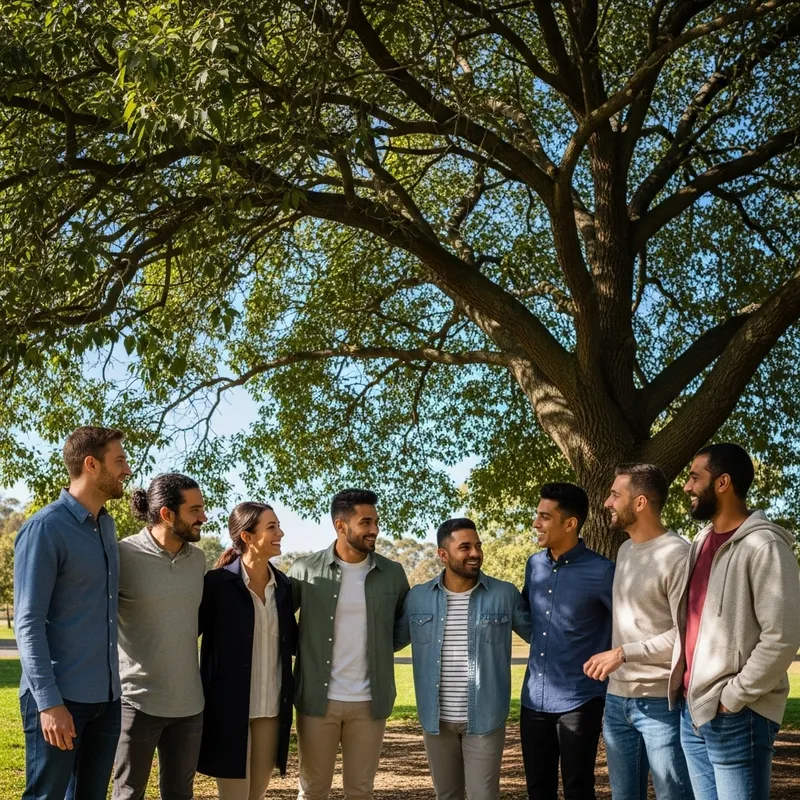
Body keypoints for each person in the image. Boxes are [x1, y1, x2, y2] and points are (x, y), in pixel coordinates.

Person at [676, 443, 800, 799]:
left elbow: (783, 635)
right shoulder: (700, 543)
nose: (686, 486)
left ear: (723, 482)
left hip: (736, 715)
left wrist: (733, 698)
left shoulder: (764, 547)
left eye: (695, 477)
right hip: (694, 711)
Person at [14, 426, 131, 799]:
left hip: (107, 700)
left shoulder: (107, 526)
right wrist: (49, 703)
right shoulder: (45, 528)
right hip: (59, 700)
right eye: (120, 461)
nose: (127, 469)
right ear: (92, 464)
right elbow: (28, 622)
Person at [289, 489, 410, 800]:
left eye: (376, 522)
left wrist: (379, 649)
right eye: (366, 522)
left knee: (360, 790)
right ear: (340, 526)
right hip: (317, 701)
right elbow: (280, 624)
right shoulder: (305, 570)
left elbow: (402, 626)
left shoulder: (392, 574)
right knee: (313, 789)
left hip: (370, 703)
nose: (374, 530)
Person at [583, 464, 692, 799]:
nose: (606, 502)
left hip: (661, 703)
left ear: (640, 502)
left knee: (673, 794)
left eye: (615, 495)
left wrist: (623, 653)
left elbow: (685, 635)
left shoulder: (678, 555)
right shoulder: (625, 550)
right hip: (617, 701)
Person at [402, 517, 531, 800]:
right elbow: (388, 640)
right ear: (444, 555)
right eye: (465, 547)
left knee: (483, 796)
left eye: (478, 545)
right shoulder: (418, 598)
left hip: (484, 718)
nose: (475, 553)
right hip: (436, 721)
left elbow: (541, 637)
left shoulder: (504, 594)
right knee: (446, 796)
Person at [112, 473, 208, 800]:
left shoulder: (198, 560)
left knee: (180, 794)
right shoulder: (122, 555)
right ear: (167, 514)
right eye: (195, 510)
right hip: (136, 701)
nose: (204, 517)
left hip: (190, 704)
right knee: (128, 794)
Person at [520, 482, 614, 800]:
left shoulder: (603, 572)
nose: (536, 523)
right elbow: (526, 617)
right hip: (533, 700)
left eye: (545, 516)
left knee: (578, 789)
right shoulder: (533, 566)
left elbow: (627, 628)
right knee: (538, 790)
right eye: (537, 515)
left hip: (581, 700)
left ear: (570, 523)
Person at [197, 502, 296, 800]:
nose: (280, 532)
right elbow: (188, 636)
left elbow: (291, 640)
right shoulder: (215, 584)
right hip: (227, 711)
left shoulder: (284, 586)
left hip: (271, 709)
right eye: (271, 527)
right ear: (247, 536)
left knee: (257, 794)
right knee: (234, 796)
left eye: (278, 526)